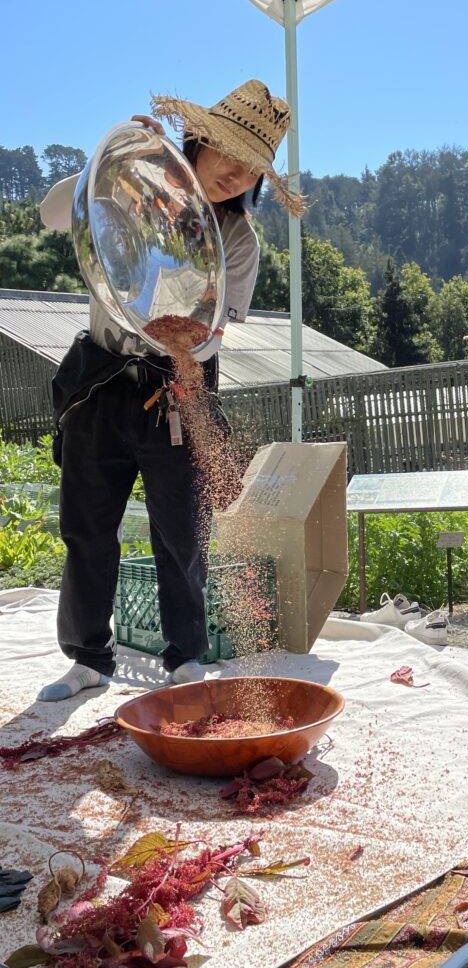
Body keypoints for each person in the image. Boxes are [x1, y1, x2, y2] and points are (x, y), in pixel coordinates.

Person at [37, 79, 300, 701]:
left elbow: (210, 335)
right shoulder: (135, 186)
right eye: (227, 155)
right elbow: (54, 214)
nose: (235, 174)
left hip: (176, 393)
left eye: (250, 169)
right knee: (87, 526)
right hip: (101, 380)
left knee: (181, 532)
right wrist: (107, 166)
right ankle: (88, 660)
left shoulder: (237, 240)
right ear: (198, 142)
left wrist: (182, 341)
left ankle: (186, 658)